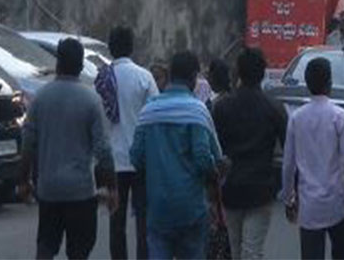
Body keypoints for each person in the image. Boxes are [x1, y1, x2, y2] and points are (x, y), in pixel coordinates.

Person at [20, 37, 116, 260]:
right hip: (81, 191)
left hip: (48, 190)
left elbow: (28, 144)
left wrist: (23, 181)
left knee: (46, 246)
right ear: (81, 66)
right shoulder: (91, 100)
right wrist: (112, 187)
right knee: (79, 251)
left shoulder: (40, 98)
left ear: (57, 63)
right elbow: (103, 149)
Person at [133, 50, 222, 260]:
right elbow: (205, 158)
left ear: (170, 75)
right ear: (193, 77)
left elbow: (136, 157)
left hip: (158, 209)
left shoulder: (149, 111)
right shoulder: (197, 111)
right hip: (191, 209)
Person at [282, 56, 344, 259]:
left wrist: (288, 197)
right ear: (330, 83)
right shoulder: (339, 116)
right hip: (337, 203)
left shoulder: (297, 118)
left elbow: (288, 164)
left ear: (307, 84)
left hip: (309, 206)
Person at [212, 47, 287, 260]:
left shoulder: (222, 107)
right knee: (252, 250)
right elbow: (288, 150)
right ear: (263, 74)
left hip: (230, 188)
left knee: (236, 249)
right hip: (260, 189)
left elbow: (214, 150)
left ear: (237, 73)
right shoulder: (274, 108)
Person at [104, 24, 159, 260]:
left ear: (110, 48)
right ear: (131, 47)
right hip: (141, 161)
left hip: (113, 162)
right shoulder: (144, 77)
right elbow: (156, 117)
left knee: (116, 223)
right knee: (144, 223)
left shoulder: (102, 79)